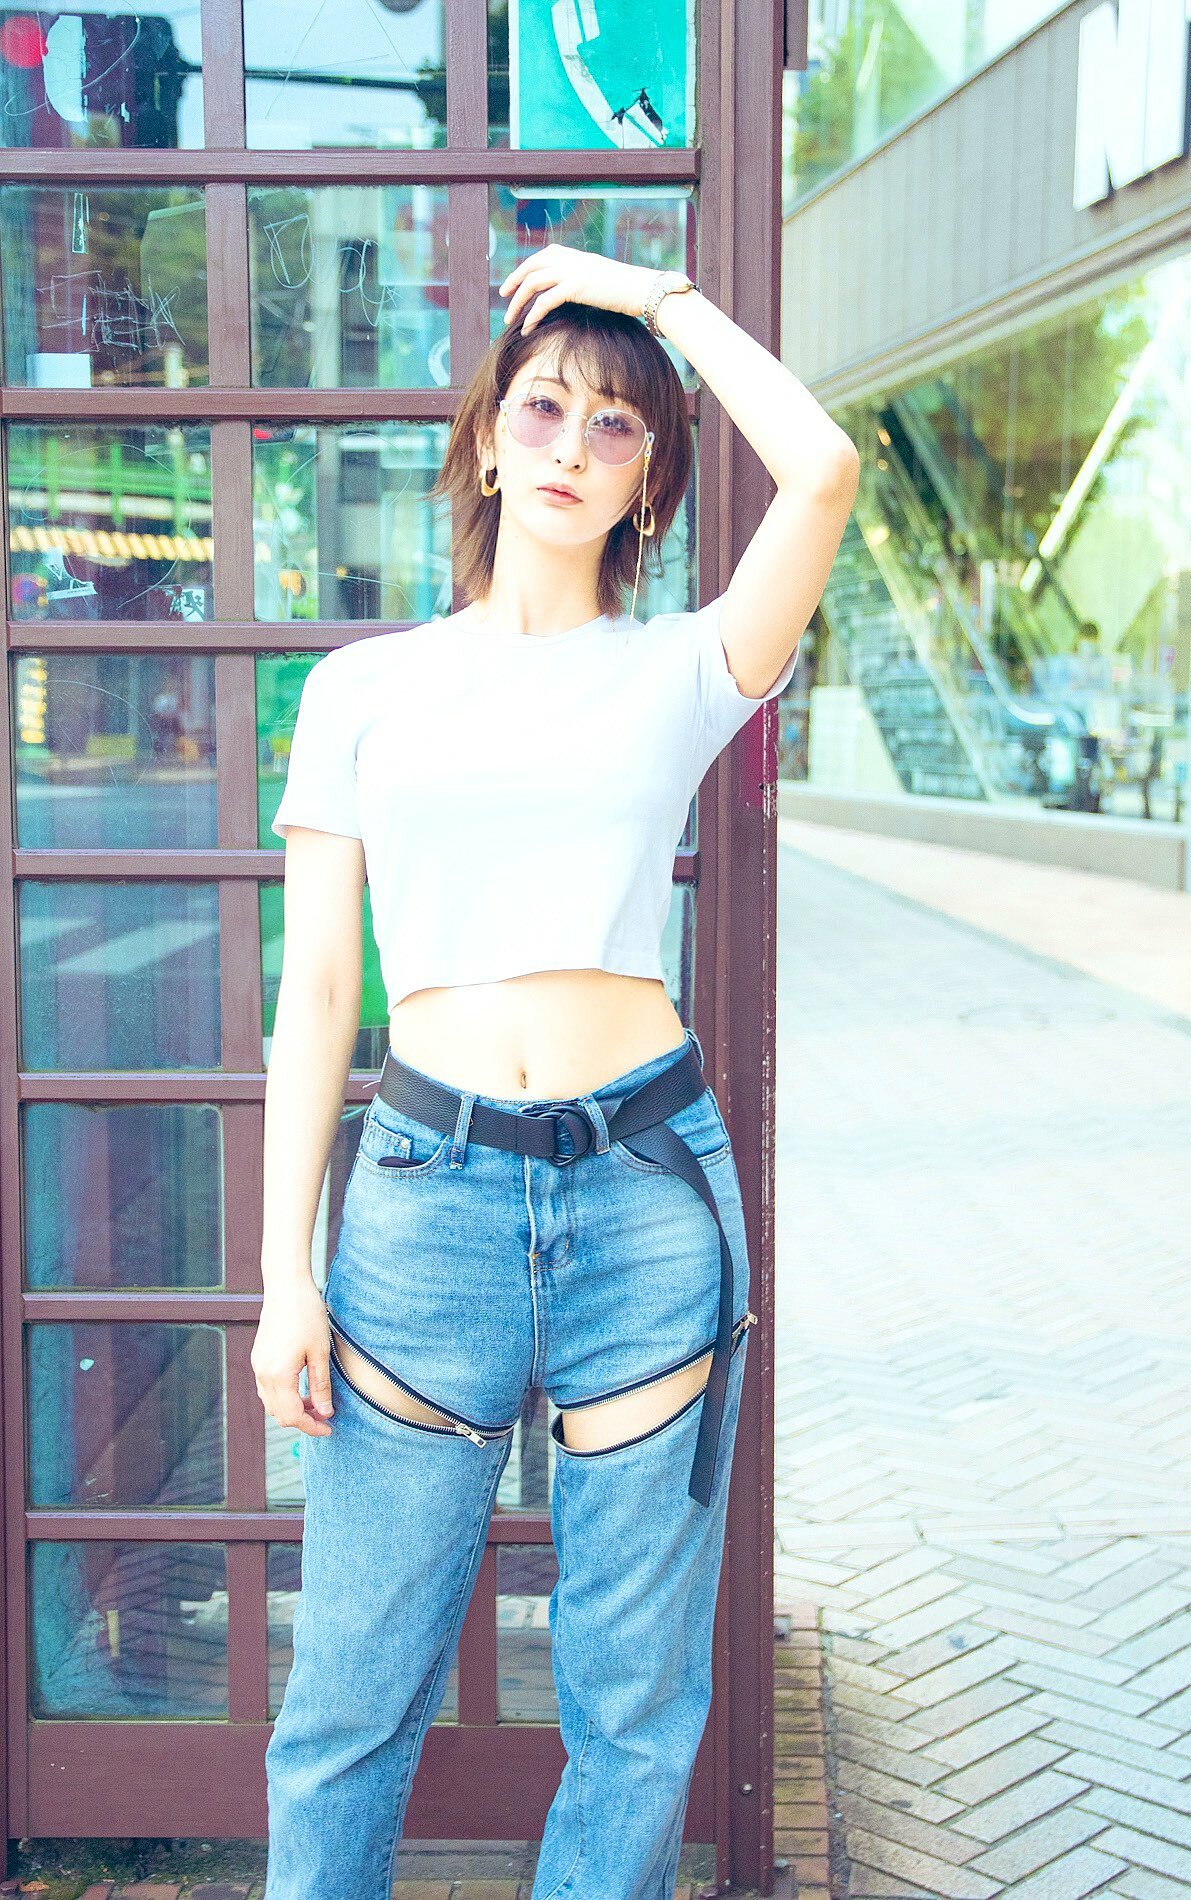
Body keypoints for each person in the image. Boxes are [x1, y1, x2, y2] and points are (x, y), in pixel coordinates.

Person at [255, 243, 859, 1900]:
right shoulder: (362, 689)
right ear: (482, 438)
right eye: (540, 407)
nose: (569, 446)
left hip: (644, 1200)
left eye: (613, 426)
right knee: (346, 1699)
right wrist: (282, 1275)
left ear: (648, 477)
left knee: (634, 1709)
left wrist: (652, 297)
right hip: (423, 1204)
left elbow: (820, 468)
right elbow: (320, 993)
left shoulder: (678, 669)